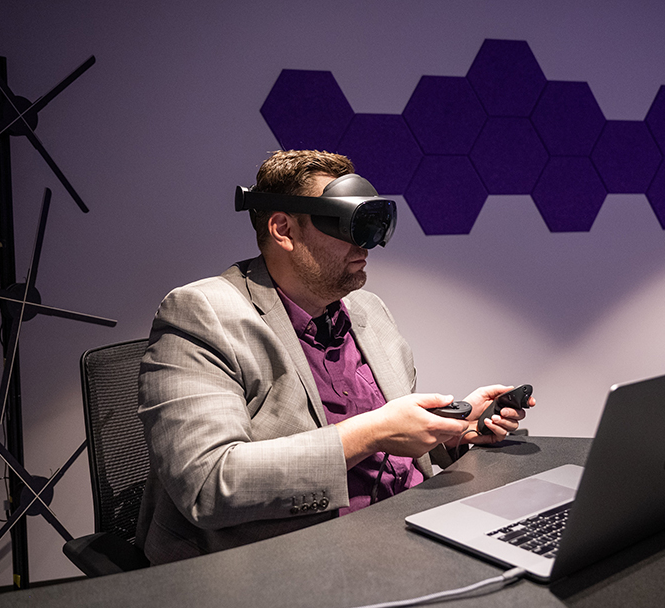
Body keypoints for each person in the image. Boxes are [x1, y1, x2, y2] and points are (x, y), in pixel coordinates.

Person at [135, 150, 533, 565]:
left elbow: (397, 447)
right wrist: (373, 432)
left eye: (373, 226)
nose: (367, 244)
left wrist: (451, 432)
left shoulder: (368, 311)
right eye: (348, 225)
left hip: (412, 532)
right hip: (295, 560)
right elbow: (210, 485)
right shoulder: (202, 314)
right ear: (283, 229)